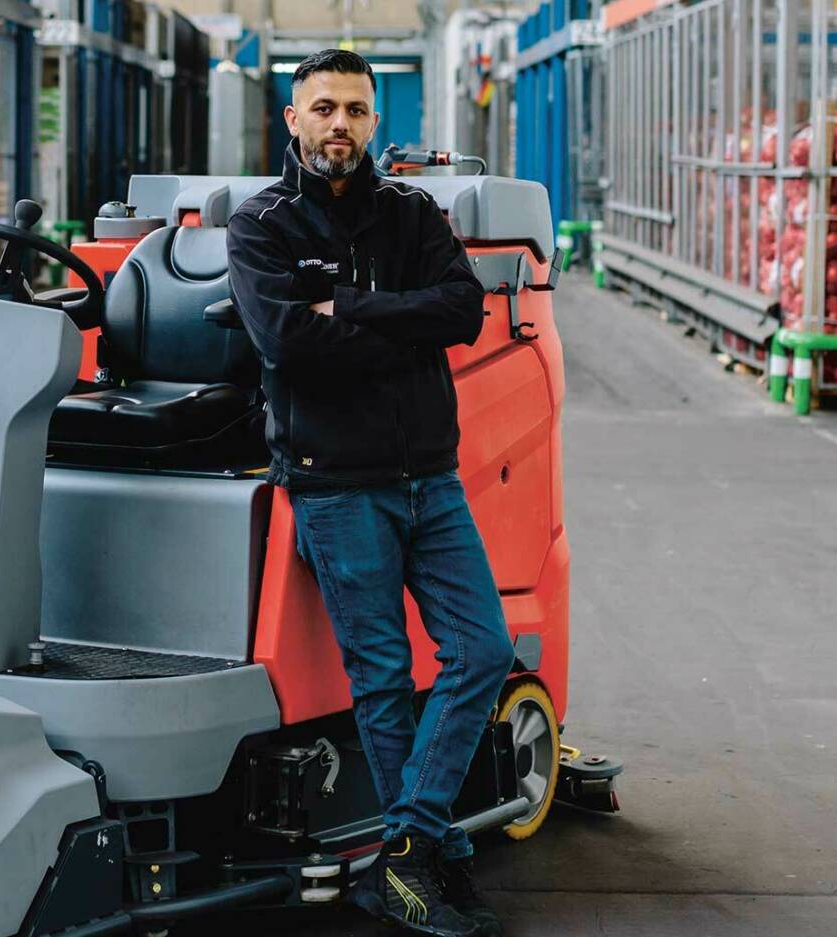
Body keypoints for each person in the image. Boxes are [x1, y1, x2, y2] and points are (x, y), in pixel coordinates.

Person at [225, 50, 516, 937]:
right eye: (323, 108)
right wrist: (397, 317)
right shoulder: (260, 225)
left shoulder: (412, 213)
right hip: (335, 485)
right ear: (293, 119)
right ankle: (426, 856)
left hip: (430, 474)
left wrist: (344, 312)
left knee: (484, 649)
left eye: (355, 108)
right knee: (383, 677)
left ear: (374, 120)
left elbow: (461, 312)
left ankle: (407, 850)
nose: (340, 123)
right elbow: (284, 343)